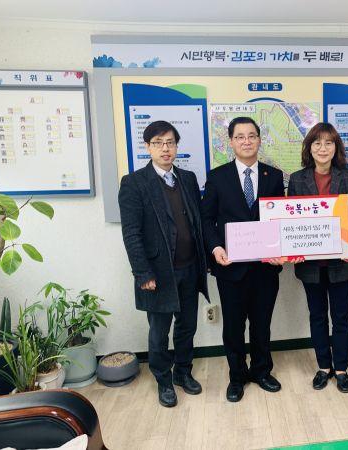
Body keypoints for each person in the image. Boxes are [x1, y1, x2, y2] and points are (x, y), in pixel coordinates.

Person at [118, 120, 209, 408]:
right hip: (158, 274)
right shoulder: (134, 183)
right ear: (147, 147)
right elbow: (131, 233)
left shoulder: (188, 178)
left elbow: (197, 223)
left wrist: (206, 260)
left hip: (190, 267)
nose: (165, 148)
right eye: (158, 143)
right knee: (159, 333)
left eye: (170, 142)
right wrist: (142, 272)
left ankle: (183, 372)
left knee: (187, 327)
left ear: (176, 146)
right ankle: (163, 380)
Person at [201, 117, 285, 402]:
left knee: (262, 325)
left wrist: (282, 250)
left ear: (259, 140)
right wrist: (215, 248)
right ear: (231, 142)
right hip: (230, 267)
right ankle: (237, 377)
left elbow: (280, 219)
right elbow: (206, 219)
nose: (246, 141)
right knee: (233, 327)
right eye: (240, 136)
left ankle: (262, 371)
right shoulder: (217, 176)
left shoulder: (274, 176)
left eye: (251, 136)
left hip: (265, 268)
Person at [287, 122, 348, 393]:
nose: (323, 148)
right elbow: (289, 220)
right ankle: (323, 367)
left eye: (328, 143)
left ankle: (341, 368)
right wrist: (292, 248)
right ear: (309, 148)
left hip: (342, 262)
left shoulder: (347, 177)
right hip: (310, 265)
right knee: (317, 316)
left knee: (341, 317)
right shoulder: (297, 179)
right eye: (317, 143)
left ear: (335, 148)